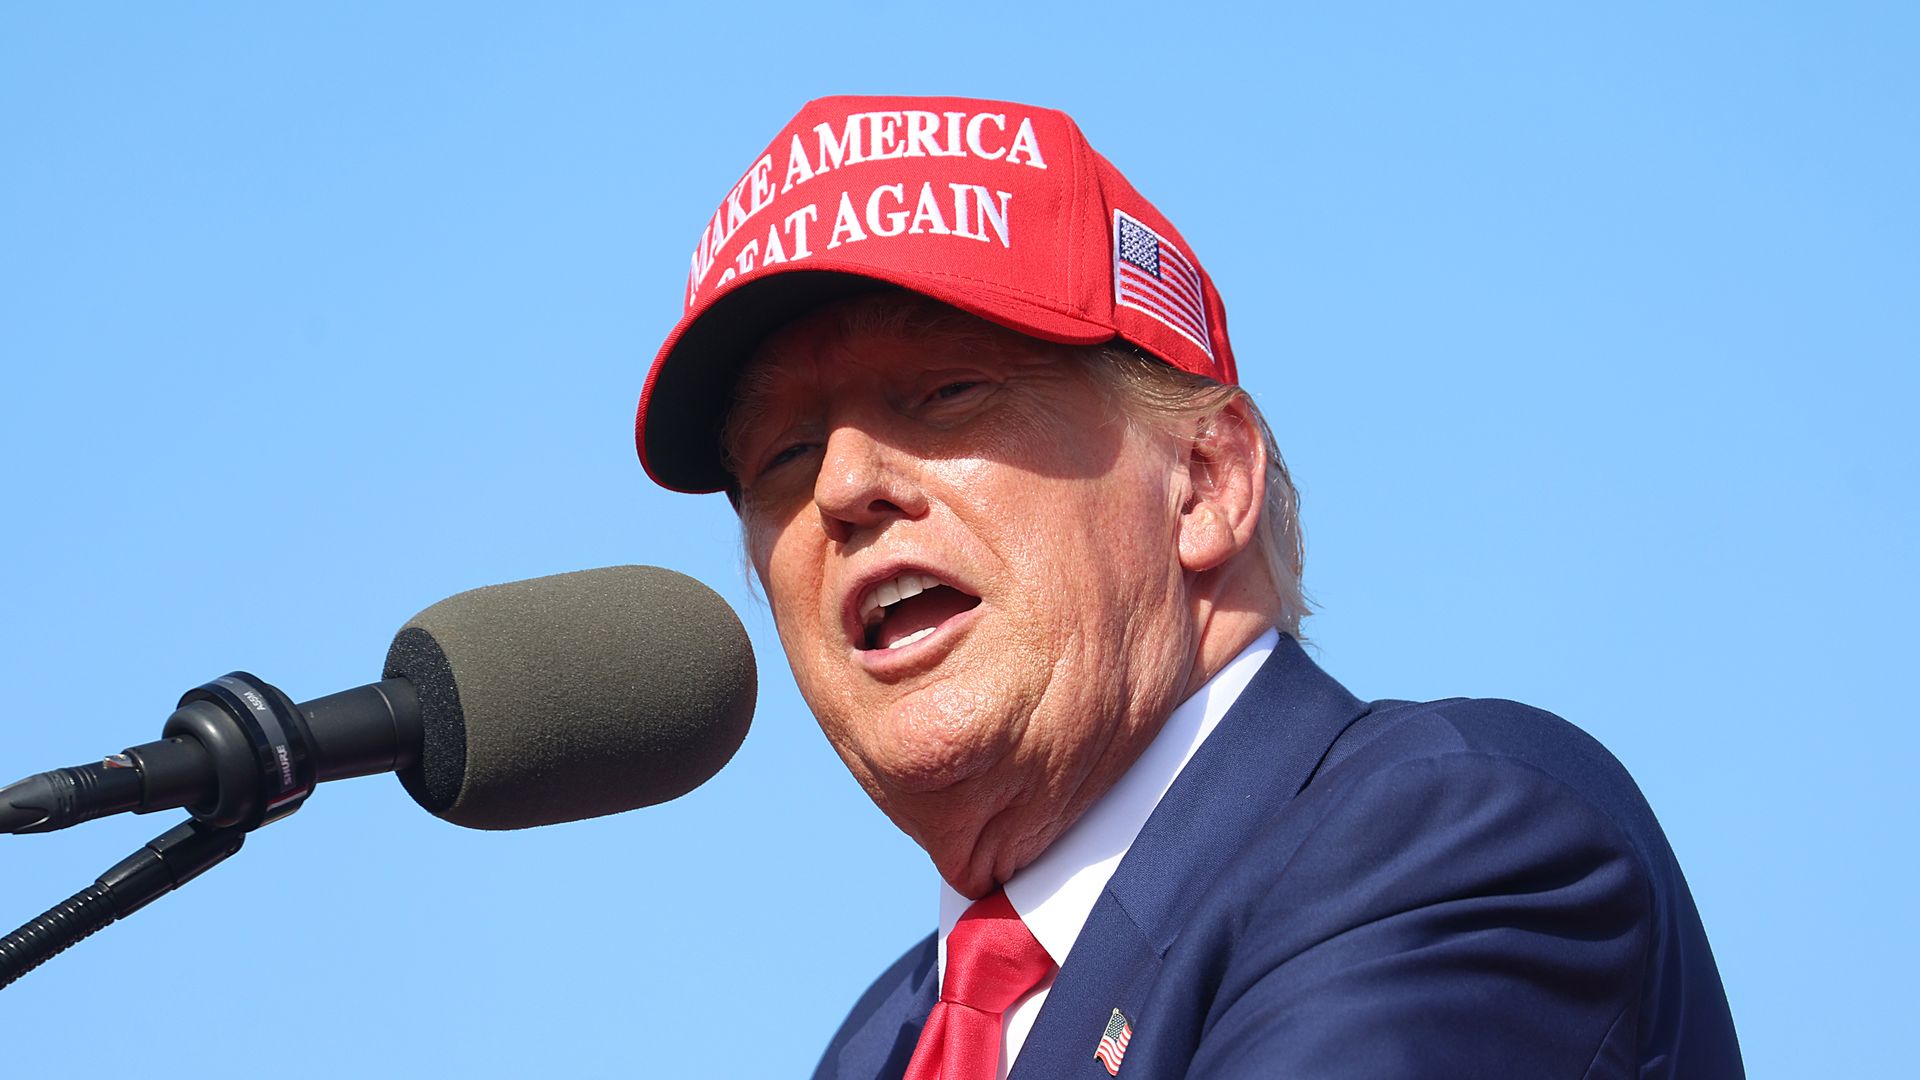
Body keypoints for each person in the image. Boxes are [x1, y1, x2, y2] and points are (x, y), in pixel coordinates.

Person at [633, 96, 1743, 1079]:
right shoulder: (884, 1043)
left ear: (1206, 482)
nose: (843, 486)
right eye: (780, 455)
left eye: (946, 392)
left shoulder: (1451, 842)